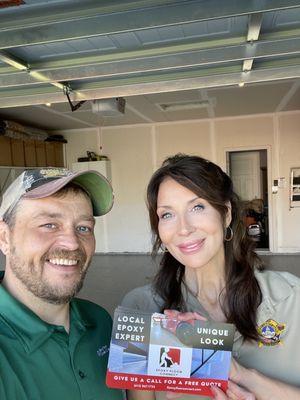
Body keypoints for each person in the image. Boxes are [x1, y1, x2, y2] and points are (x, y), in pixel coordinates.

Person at [122, 154, 300, 400]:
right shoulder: (140, 310)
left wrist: (242, 376)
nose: (183, 228)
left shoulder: (291, 296)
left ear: (225, 213)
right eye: (167, 214)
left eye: (197, 207)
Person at [0, 167, 123, 400]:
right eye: (49, 224)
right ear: (5, 237)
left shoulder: (100, 322)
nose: (72, 243)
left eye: (83, 228)